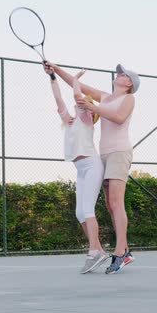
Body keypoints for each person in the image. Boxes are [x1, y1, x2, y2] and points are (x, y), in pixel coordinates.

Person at [46, 62, 140, 274]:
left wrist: (93, 108)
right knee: (109, 204)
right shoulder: (105, 96)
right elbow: (75, 84)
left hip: (119, 151)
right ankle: (123, 250)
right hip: (104, 153)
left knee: (116, 202)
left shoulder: (128, 98)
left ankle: (120, 254)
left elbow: (119, 118)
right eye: (120, 73)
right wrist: (55, 70)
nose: (119, 75)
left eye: (124, 74)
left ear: (129, 84)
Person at [45, 65, 108, 274]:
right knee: (80, 213)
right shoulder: (70, 121)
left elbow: (76, 94)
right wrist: (53, 77)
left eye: (85, 102)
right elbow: (58, 100)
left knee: (87, 210)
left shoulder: (86, 119)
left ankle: (93, 252)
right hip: (81, 169)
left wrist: (76, 80)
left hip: (92, 165)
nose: (80, 103)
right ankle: (98, 250)